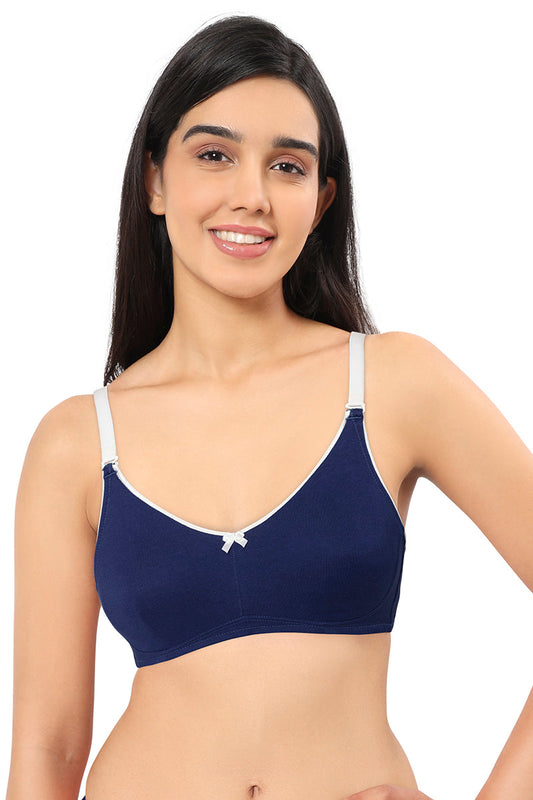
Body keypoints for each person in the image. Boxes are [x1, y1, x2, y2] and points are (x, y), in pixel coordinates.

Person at [6, 14, 533, 800]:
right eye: (214, 155)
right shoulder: (76, 442)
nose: (250, 196)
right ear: (154, 180)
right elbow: (46, 747)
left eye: (287, 167)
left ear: (320, 201)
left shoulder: (393, 383)